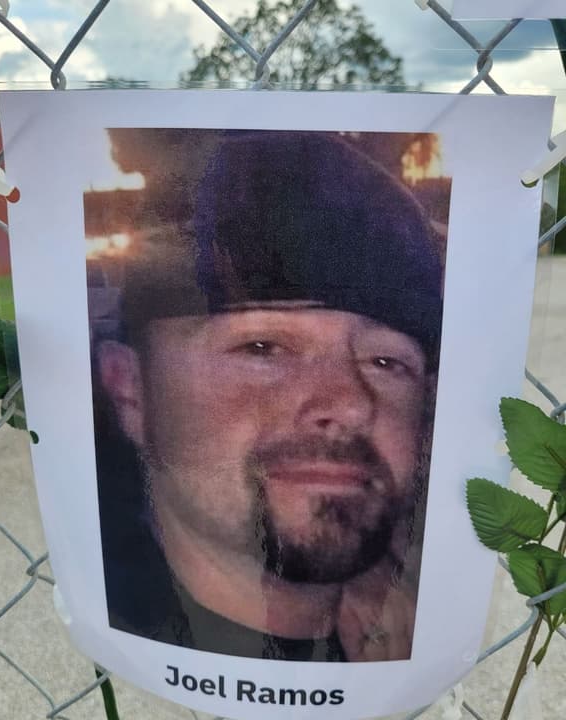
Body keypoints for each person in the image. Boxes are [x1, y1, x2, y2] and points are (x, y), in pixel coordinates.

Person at [94, 131, 443, 662]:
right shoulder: (99, 626)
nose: (350, 403)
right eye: (263, 346)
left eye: (386, 361)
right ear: (130, 391)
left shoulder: (437, 612)